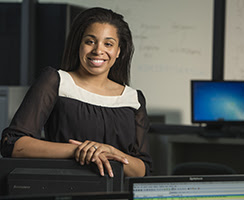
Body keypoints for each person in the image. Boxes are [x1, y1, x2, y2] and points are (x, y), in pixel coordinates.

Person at [0, 7, 152, 177]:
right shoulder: (56, 82)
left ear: (118, 52)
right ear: (78, 44)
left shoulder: (133, 99)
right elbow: (13, 144)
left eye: (108, 44)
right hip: (66, 190)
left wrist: (112, 152)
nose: (98, 50)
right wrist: (77, 150)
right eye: (90, 41)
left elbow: (142, 170)